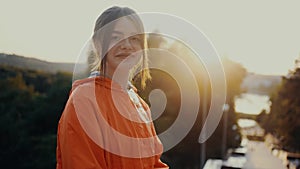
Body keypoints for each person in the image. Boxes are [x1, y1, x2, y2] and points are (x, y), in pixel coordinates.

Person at [56, 6, 169, 169]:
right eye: (116, 37)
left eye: (135, 39)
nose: (127, 45)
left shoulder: (141, 107)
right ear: (97, 44)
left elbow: (154, 164)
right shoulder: (84, 100)